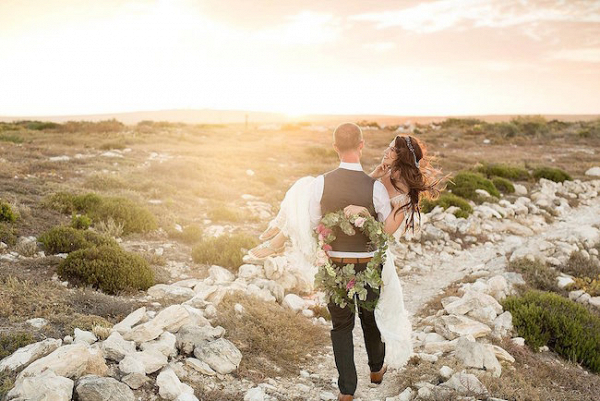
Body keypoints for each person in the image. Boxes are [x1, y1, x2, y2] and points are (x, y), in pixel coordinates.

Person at [245, 124, 442, 400]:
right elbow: (368, 191)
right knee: (369, 317)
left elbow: (376, 230)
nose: (385, 152)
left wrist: (354, 213)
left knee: (343, 326)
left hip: (340, 265)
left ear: (335, 147)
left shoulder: (344, 186)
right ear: (361, 145)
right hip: (369, 264)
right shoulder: (376, 184)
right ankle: (375, 369)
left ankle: (347, 389)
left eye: (390, 149)